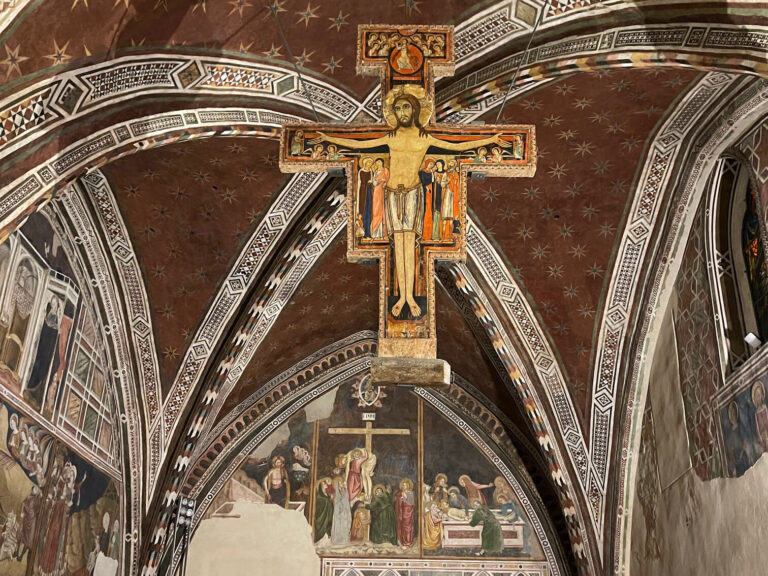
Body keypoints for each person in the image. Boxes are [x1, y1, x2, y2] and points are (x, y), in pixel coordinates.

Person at [310, 85, 509, 320]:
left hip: (414, 194)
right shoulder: (390, 137)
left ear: (414, 110)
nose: (402, 112)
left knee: (411, 249)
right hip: (392, 194)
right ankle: (403, 296)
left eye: (406, 107)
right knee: (398, 248)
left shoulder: (425, 138)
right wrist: (327, 138)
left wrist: (489, 140)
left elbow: (456, 147)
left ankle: (410, 297)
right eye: (398, 108)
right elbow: (357, 145)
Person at [15, 484, 41, 561]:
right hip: (26, 518)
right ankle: (16, 551)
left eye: (36, 490)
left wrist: (31, 513)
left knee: (28, 540)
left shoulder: (38, 500)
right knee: (20, 534)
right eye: (33, 489)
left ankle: (21, 556)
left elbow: (37, 510)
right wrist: (22, 512)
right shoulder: (28, 497)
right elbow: (23, 503)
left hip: (32, 521)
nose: (34, 491)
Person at [394, 477, 415, 548]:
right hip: (402, 512)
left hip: (408, 512)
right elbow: (397, 501)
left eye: (405, 485)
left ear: (408, 486)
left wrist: (405, 498)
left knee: (408, 528)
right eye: (403, 485)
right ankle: (402, 541)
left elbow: (411, 503)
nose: (404, 486)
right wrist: (400, 499)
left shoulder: (410, 493)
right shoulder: (400, 493)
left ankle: (408, 543)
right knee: (402, 527)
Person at [330, 476, 351, 546]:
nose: (341, 485)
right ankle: (337, 540)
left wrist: (345, 489)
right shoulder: (336, 493)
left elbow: (346, 500)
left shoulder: (344, 491)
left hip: (344, 514)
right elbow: (337, 503)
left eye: (341, 483)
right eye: (340, 484)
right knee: (338, 526)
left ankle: (344, 540)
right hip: (338, 514)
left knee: (345, 526)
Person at [314, 478, 334, 543]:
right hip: (322, 526)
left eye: (326, 482)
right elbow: (320, 516)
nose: (325, 483)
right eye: (323, 482)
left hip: (328, 524)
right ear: (319, 484)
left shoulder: (327, 496)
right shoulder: (320, 498)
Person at [752, 381, 768, 451]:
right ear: (755, 398)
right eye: (757, 395)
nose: (759, 397)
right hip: (762, 437)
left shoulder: (765, 408)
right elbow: (757, 428)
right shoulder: (756, 414)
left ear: (762, 396)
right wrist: (761, 438)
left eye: (760, 394)